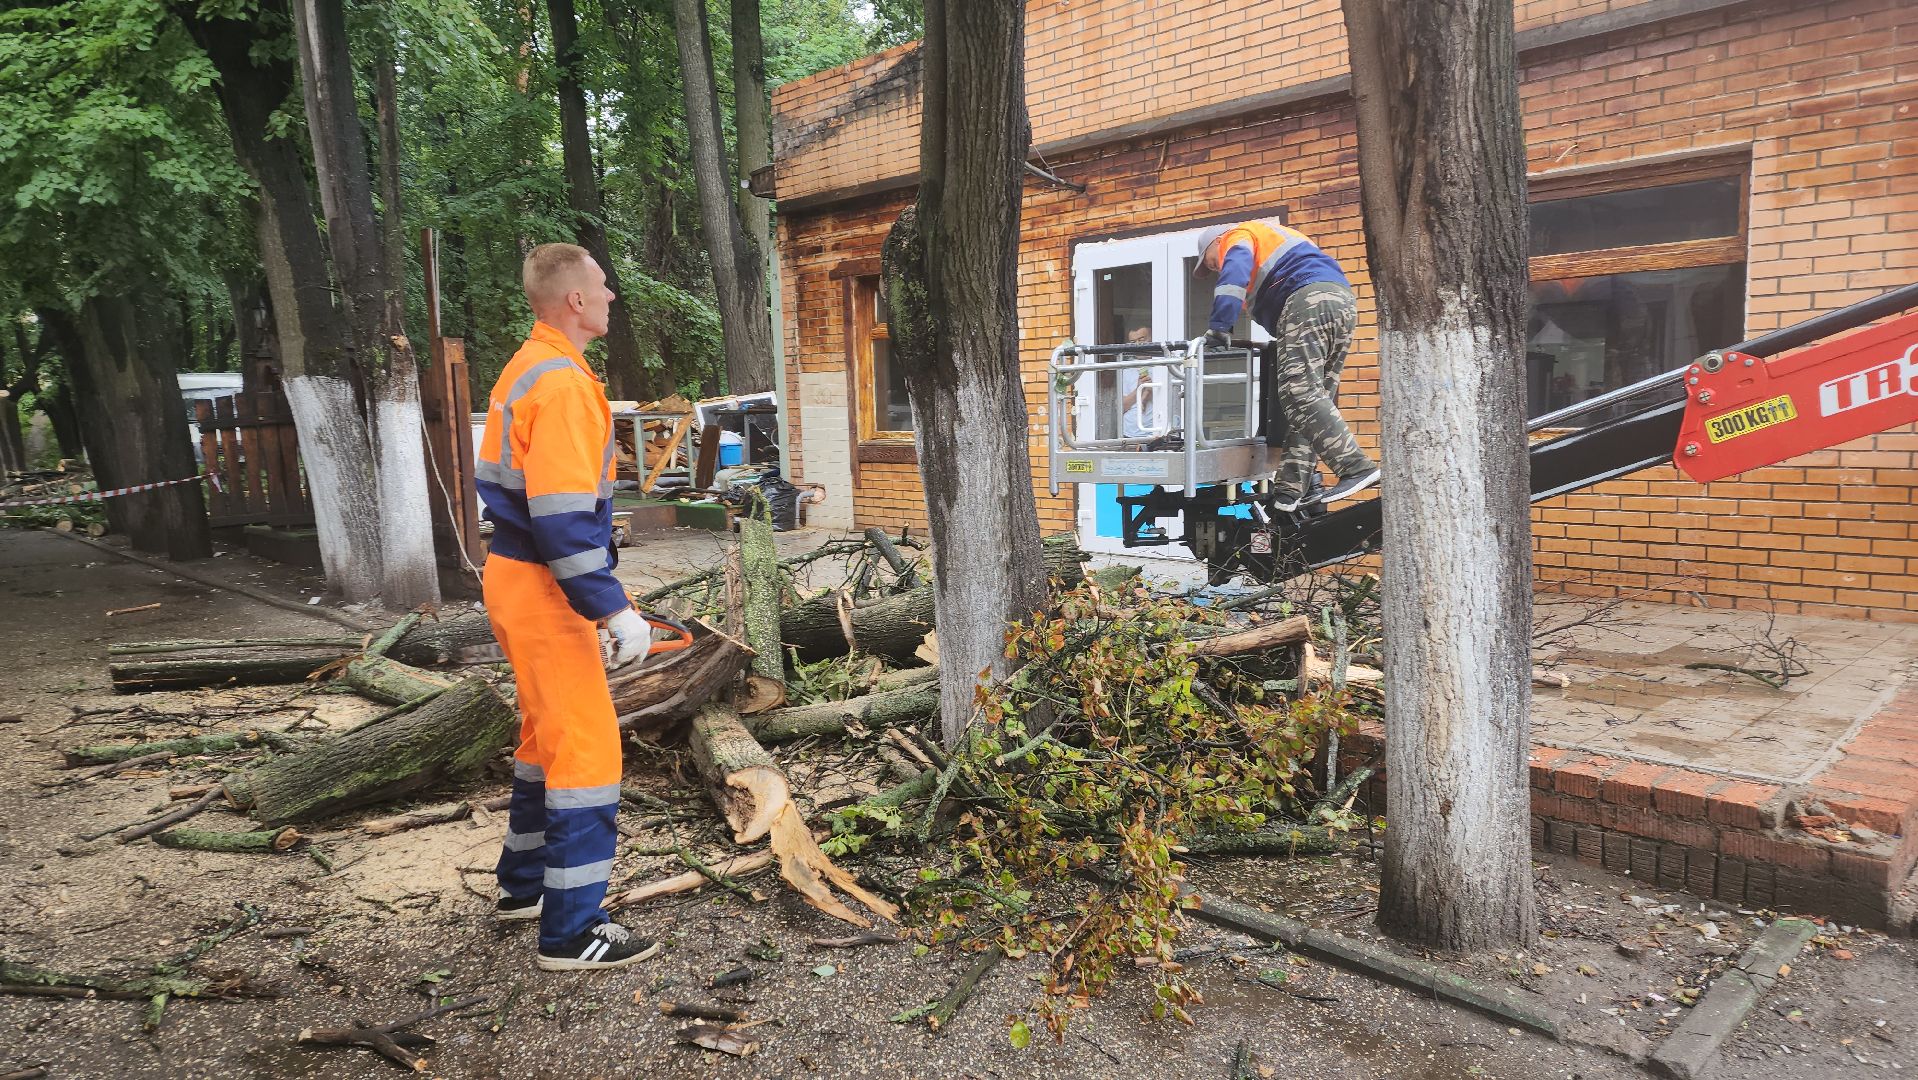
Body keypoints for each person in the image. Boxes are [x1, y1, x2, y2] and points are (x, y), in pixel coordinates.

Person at [474, 242, 660, 971]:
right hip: (544, 587)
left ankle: (523, 889)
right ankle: (571, 931)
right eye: (603, 287)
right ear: (575, 301)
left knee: (542, 741)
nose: (612, 295)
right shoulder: (562, 386)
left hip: (518, 580)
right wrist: (611, 608)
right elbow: (560, 518)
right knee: (584, 751)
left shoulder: (532, 366)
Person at [1195, 220, 1378, 510]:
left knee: (1298, 393)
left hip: (1308, 299)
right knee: (1314, 399)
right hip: (1339, 302)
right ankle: (1289, 491)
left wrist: (1220, 326)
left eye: (1211, 263)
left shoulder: (1238, 237)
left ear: (1216, 242)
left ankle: (1355, 467)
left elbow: (1235, 271)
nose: (1215, 269)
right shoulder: (1276, 240)